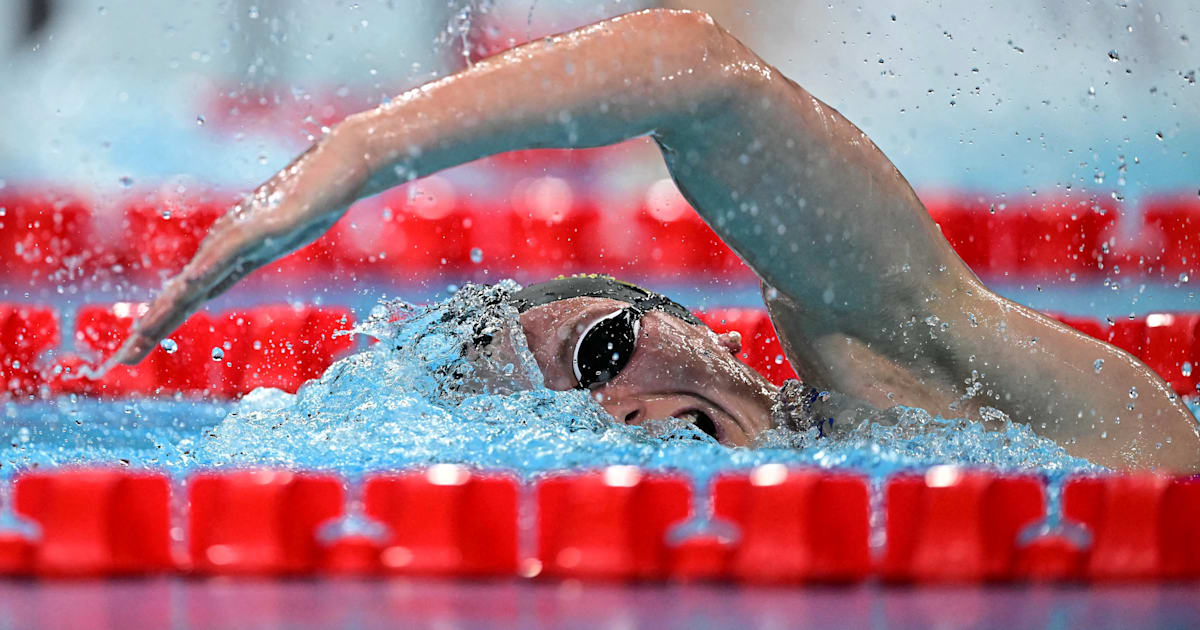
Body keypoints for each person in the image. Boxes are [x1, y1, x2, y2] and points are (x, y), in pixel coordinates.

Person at [110, 9, 1198, 471]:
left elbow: (700, 71)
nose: (620, 415)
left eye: (598, 353)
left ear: (701, 331)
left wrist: (352, 156)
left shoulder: (901, 370)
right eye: (571, 421)